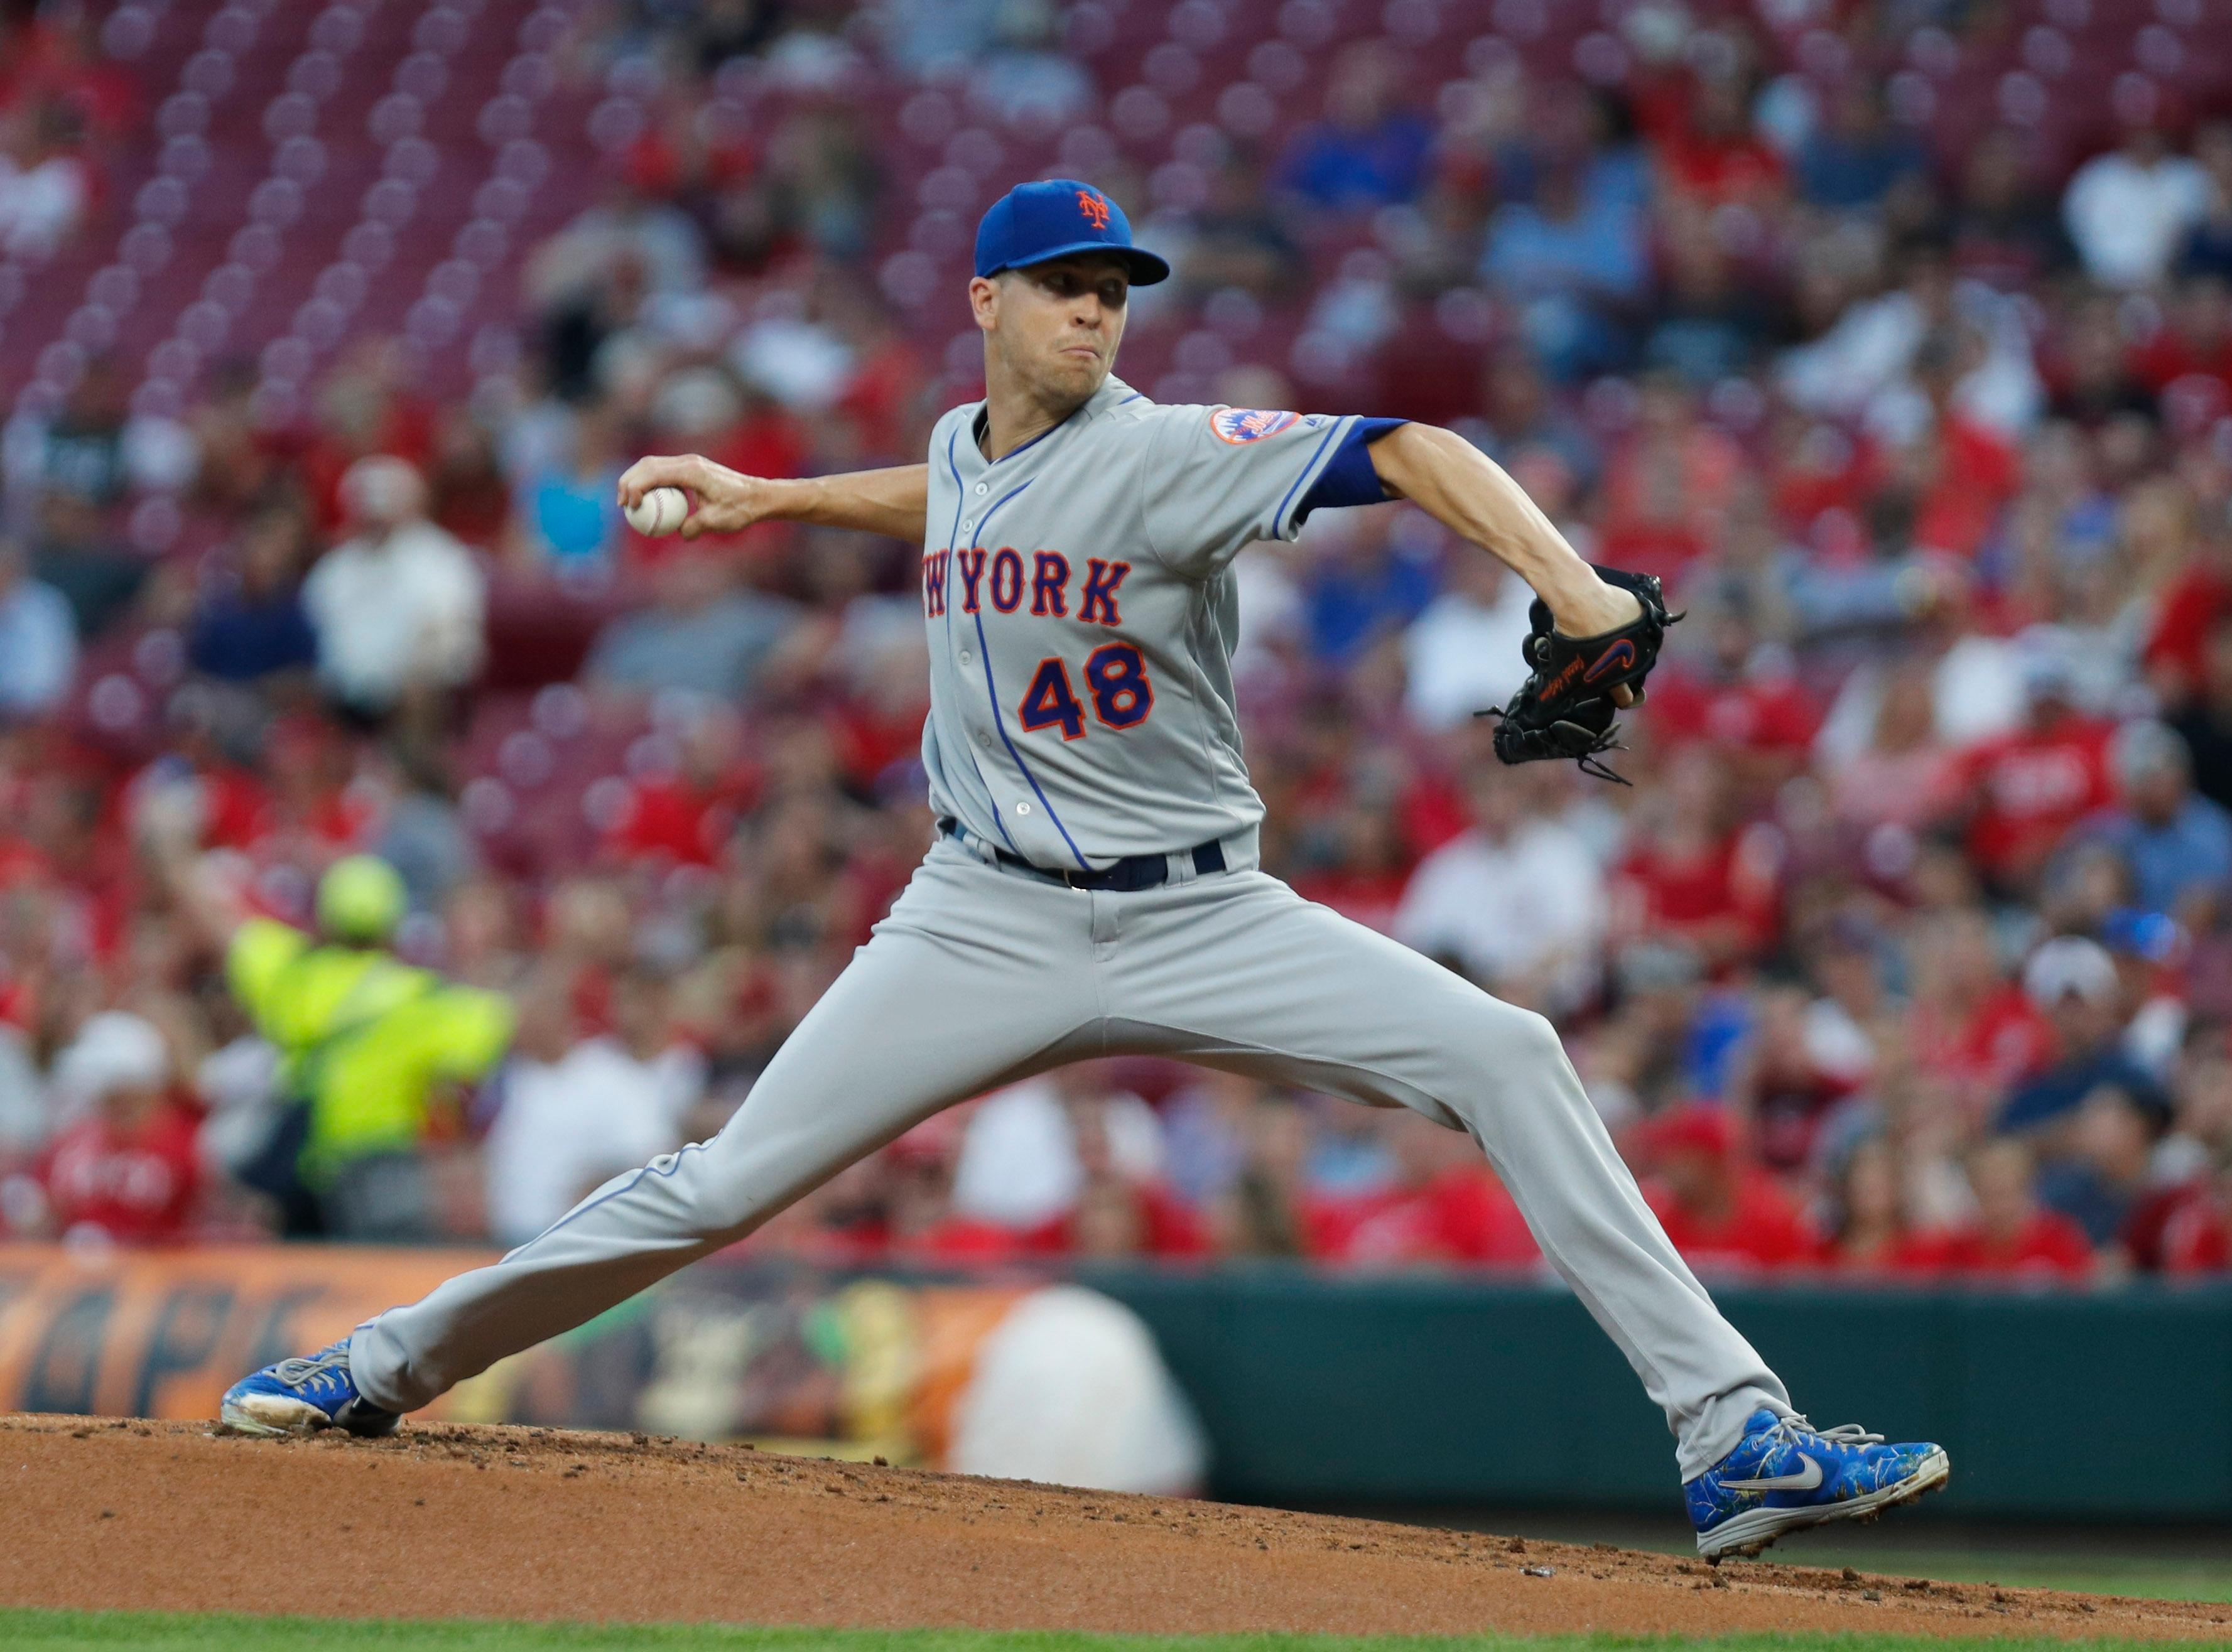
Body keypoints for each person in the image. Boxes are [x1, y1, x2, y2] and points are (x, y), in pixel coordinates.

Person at [224, 177, 1946, 1563]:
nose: (1093, 311)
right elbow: (959, 499)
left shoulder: (1164, 449)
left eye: (1112, 288)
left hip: (1202, 910)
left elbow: (1409, 447)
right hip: (979, 915)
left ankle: (1732, 1440)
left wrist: (1572, 589)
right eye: (1061, 284)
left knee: (1506, 1053)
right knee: (724, 1179)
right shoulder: (977, 446)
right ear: (984, 304)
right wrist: (765, 501)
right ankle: (383, 1368)